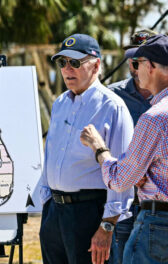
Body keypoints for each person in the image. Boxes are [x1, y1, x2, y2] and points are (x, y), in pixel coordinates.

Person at [39, 33, 134, 264]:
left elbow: (124, 173)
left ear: (96, 65)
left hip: (90, 213)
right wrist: (46, 203)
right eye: (62, 63)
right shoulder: (61, 103)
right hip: (54, 214)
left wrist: (107, 226)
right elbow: (51, 155)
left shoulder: (113, 106)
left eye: (75, 62)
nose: (67, 69)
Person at [81, 34, 168, 264]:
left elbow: (121, 180)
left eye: (137, 62)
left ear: (149, 67)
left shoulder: (155, 117)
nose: (134, 68)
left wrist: (100, 149)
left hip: (158, 224)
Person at [107, 29, 157, 264]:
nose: (137, 68)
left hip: (158, 207)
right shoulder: (112, 96)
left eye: (142, 61)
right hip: (123, 204)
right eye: (133, 61)